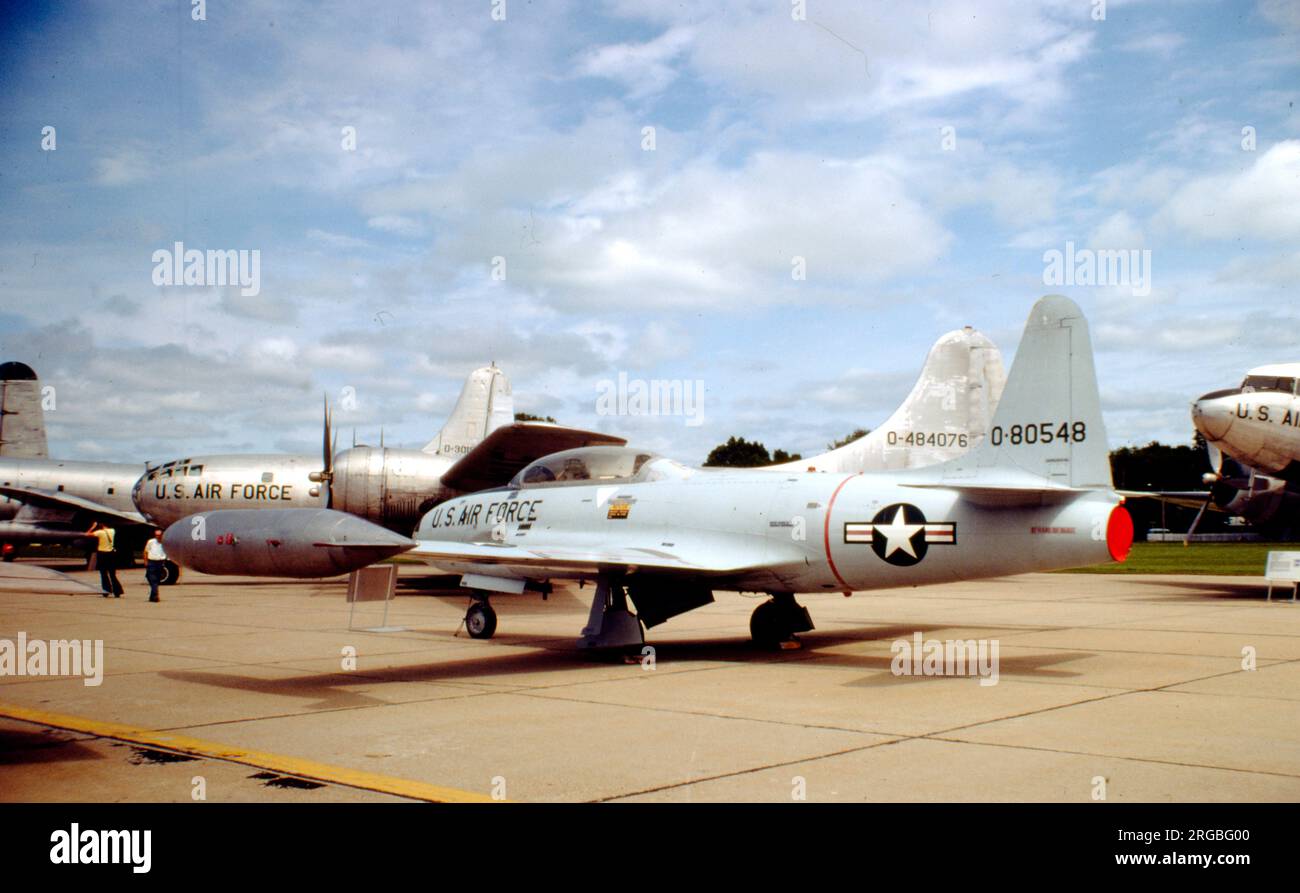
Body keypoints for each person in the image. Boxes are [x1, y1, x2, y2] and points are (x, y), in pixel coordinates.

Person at [87, 521, 123, 597]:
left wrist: (93, 527)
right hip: (111, 554)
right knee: (112, 574)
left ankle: (106, 590)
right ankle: (117, 591)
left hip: (102, 554)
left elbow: (87, 534)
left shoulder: (100, 532)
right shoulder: (112, 531)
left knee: (103, 573)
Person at [143, 528, 167, 603]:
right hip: (151, 562)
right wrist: (145, 561)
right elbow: (146, 551)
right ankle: (155, 595)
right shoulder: (151, 542)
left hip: (160, 562)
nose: (158, 537)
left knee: (156, 580)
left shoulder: (165, 542)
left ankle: (154, 595)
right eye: (156, 535)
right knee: (150, 578)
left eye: (159, 535)